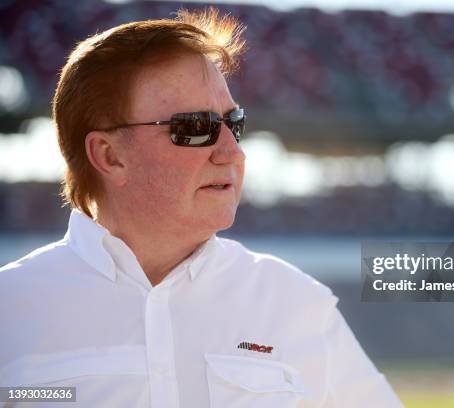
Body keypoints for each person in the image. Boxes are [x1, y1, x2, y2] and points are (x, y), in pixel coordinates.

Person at [0, 8, 403, 408]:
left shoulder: (296, 304)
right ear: (109, 155)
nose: (233, 151)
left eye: (235, 123)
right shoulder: (11, 310)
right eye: (196, 127)